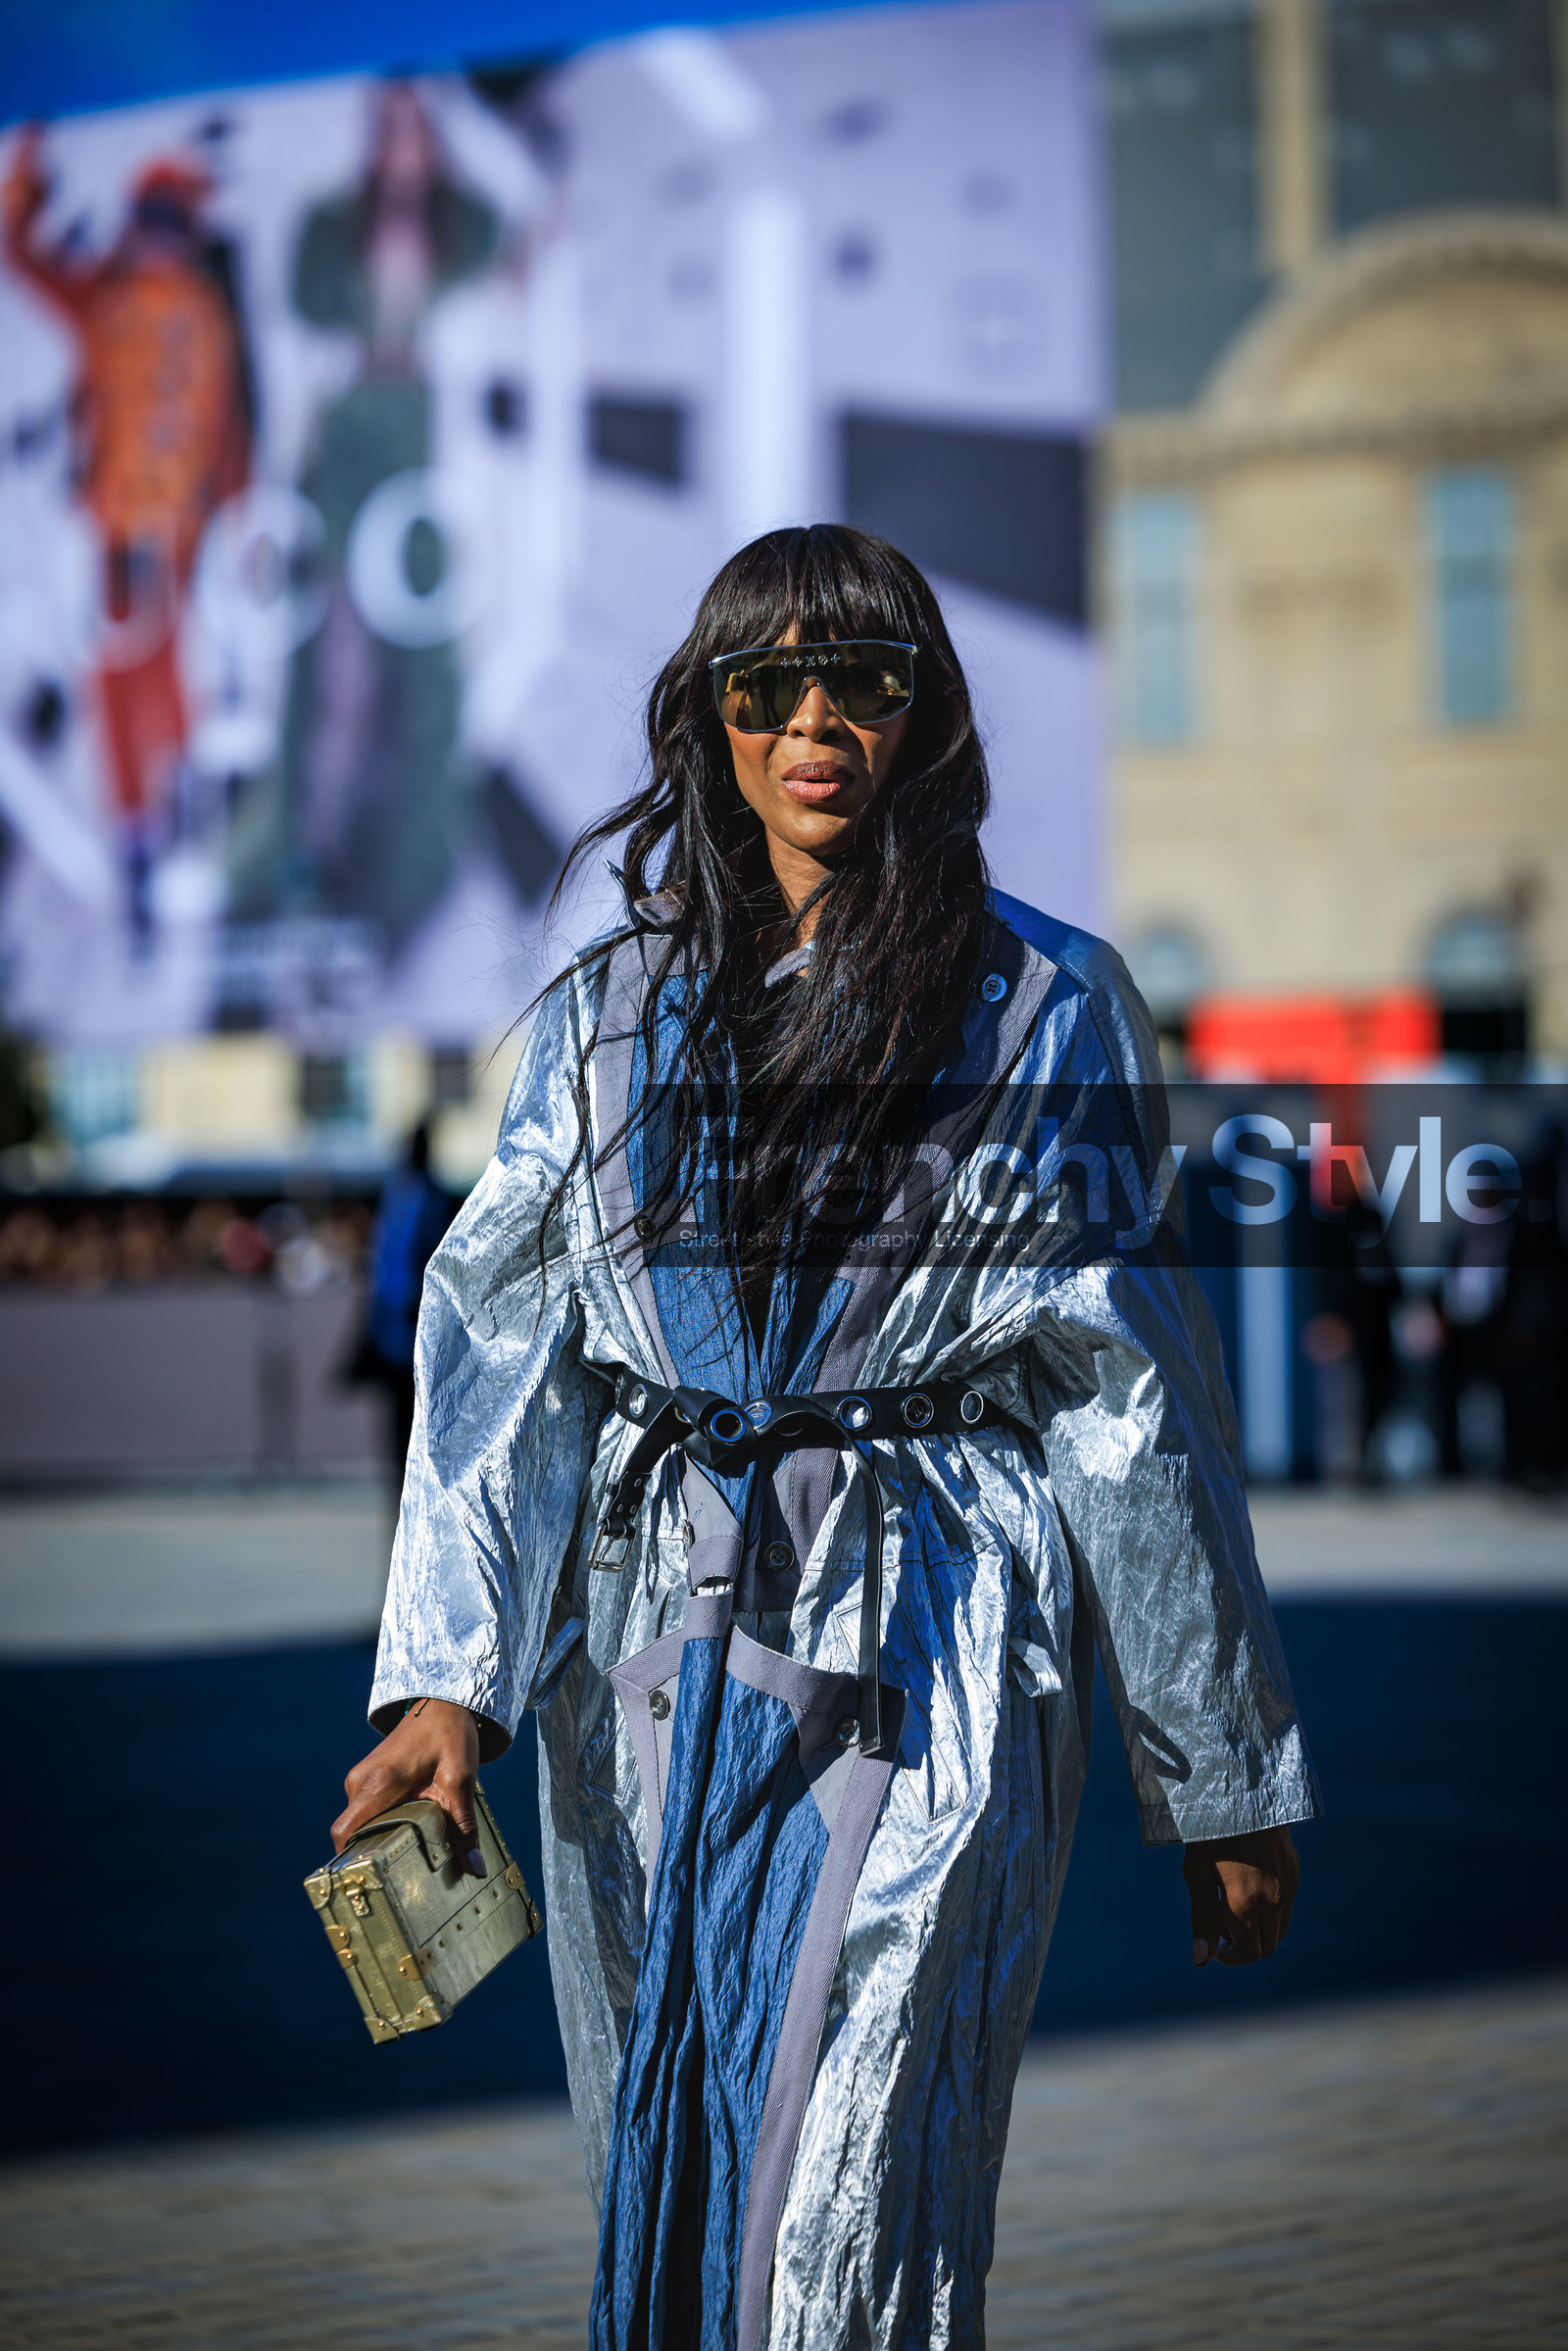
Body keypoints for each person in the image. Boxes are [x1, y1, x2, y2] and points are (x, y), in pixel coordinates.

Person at [330, 526, 1318, 2349]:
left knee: (856, 2194)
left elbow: (1130, 1389)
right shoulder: (599, 1016)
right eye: (762, 684)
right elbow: (502, 1360)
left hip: (934, 1647)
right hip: (643, 1656)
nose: (813, 720)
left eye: (862, 679)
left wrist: (1222, 1776)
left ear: (924, 712)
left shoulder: (1046, 1001)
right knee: (675, 2148)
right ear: (706, 721)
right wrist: (445, 1688)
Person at [2, 127, 253, 943]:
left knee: (137, 681)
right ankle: (153, 827)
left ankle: (154, 827)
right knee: (136, 681)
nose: (160, 236)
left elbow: (228, 434)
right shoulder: (178, 311)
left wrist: (31, 164)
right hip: (143, 533)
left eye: (169, 219)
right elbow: (230, 439)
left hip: (145, 533)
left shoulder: (142, 305)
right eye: (156, 216)